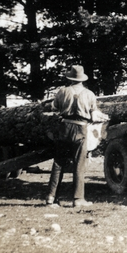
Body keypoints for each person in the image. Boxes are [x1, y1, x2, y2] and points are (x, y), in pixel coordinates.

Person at [45, 65, 97, 208]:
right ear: (82, 79)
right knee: (79, 164)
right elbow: (94, 115)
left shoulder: (62, 91)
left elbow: (54, 108)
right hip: (81, 128)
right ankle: (78, 199)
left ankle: (51, 197)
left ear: (70, 78)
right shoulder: (90, 94)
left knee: (59, 163)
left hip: (64, 127)